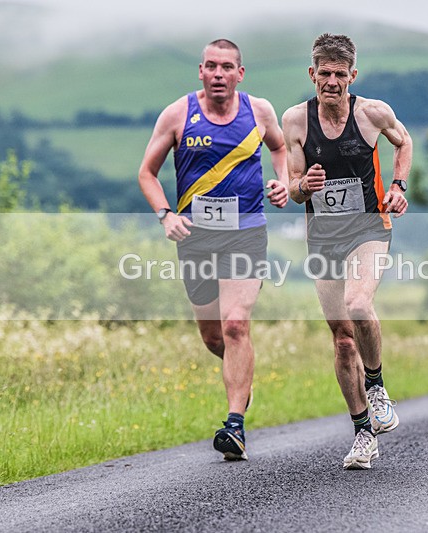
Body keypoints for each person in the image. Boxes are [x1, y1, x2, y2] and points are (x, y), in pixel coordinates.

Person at [138, 39, 289, 461]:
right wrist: (166, 214)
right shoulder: (177, 114)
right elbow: (147, 174)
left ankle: (235, 424)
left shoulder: (259, 111)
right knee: (213, 337)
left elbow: (279, 148)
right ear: (200, 72)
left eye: (227, 67)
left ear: (241, 74)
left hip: (246, 231)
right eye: (211, 67)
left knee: (236, 324)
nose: (219, 74)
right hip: (195, 237)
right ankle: (240, 375)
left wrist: (282, 181)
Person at [282, 33, 412, 469]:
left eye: (340, 75)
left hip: (369, 227)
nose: (332, 82)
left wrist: (398, 186)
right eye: (324, 74)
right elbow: (295, 188)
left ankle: (375, 385)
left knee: (359, 304)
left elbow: (404, 142)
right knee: (341, 341)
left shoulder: (373, 113)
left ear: (352, 75)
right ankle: (362, 434)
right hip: (323, 236)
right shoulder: (296, 121)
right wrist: (303, 186)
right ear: (312, 74)